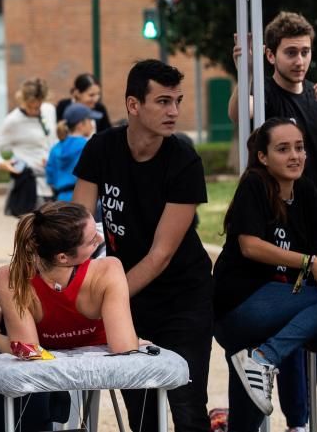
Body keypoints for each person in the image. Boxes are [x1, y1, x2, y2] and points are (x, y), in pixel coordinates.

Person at [228, 11, 317, 432]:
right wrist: (241, 72)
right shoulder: (263, 97)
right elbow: (240, 113)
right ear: (270, 55)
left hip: (311, 229)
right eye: (290, 52)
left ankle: (296, 417)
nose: (299, 60)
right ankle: (288, 403)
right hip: (268, 260)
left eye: (305, 51)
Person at [73, 59, 212, 432]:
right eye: (163, 101)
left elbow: (160, 254)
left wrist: (106, 299)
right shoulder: (101, 148)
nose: (175, 112)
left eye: (177, 101)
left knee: (186, 404)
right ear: (133, 105)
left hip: (183, 296)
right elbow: (74, 227)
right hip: (131, 296)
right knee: (141, 406)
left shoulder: (184, 160)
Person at [212, 118, 317, 430]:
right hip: (238, 308)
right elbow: (250, 246)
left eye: (300, 147)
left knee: (247, 414)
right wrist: (311, 263)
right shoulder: (255, 184)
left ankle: (261, 365)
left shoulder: (304, 189)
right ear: (263, 157)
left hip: (272, 307)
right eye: (283, 149)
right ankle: (266, 358)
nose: (295, 155)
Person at [0, 201, 138, 354]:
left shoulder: (11, 277)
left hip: (29, 318)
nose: (100, 239)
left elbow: (30, 352)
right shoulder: (108, 270)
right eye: (92, 241)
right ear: (63, 258)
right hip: (9, 314)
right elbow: (31, 354)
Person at [0, 77, 59, 210]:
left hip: (52, 181)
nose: (33, 110)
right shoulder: (13, 120)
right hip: (30, 185)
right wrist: (2, 163)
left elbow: (53, 140)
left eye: (37, 106)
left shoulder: (49, 110)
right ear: (22, 100)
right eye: (29, 106)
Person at [47, 103, 102, 202]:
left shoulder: (55, 148)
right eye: (90, 120)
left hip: (60, 200)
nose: (92, 124)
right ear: (81, 124)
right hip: (84, 199)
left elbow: (50, 179)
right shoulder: (88, 145)